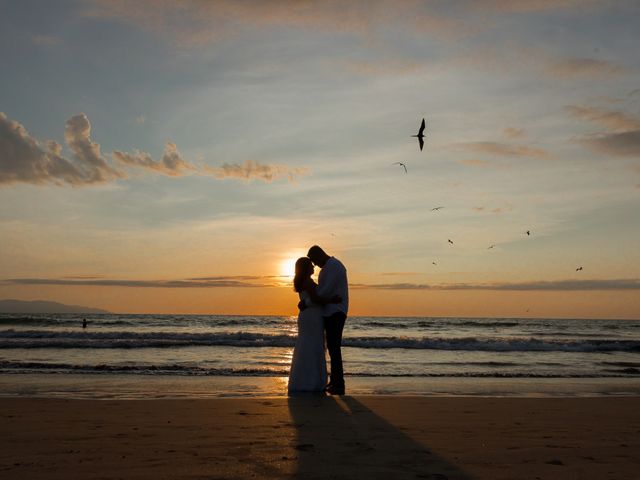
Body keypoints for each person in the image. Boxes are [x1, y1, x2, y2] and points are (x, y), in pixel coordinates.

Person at [288, 257, 341, 394]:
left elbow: (311, 299)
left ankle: (304, 380)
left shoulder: (302, 282)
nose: (314, 267)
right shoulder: (308, 282)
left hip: (308, 316)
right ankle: (312, 381)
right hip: (312, 316)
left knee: (307, 344)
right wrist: (332, 300)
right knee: (313, 345)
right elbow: (317, 299)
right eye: (311, 265)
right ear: (306, 268)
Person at [306, 245, 349, 395]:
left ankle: (338, 383)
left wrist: (308, 300)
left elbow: (324, 291)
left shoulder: (334, 267)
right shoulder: (329, 268)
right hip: (330, 311)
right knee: (332, 347)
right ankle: (335, 381)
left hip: (336, 311)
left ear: (318, 255)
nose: (314, 265)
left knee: (334, 347)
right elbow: (322, 292)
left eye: (314, 260)